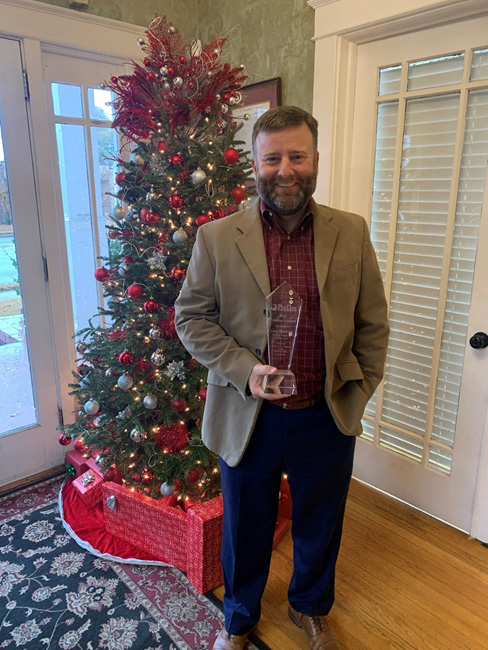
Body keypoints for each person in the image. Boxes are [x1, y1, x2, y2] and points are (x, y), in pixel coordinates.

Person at [175, 106, 389, 650]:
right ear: (255, 163)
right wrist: (246, 371)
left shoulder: (352, 230)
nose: (285, 169)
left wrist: (358, 393)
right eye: (273, 158)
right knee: (245, 524)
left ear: (316, 159)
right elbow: (190, 318)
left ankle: (310, 608)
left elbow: (373, 323)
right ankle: (240, 619)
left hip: (326, 411)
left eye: (297, 156)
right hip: (249, 417)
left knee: (320, 521)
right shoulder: (217, 238)